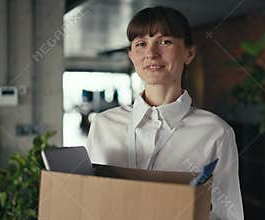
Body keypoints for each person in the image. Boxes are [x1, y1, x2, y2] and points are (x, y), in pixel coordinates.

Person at [86, 6, 244, 220]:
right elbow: (88, 200)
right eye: (141, 44)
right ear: (132, 56)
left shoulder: (216, 132)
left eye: (164, 41)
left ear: (189, 53)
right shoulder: (104, 124)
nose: (151, 53)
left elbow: (227, 215)